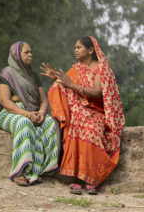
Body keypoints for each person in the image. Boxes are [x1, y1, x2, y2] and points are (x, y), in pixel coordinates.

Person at [41, 36, 125, 195]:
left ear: (91, 50)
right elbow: (65, 85)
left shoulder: (100, 68)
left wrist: (71, 85)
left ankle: (91, 179)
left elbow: (98, 92)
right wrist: (56, 79)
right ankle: (76, 179)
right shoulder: (76, 69)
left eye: (79, 47)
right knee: (77, 123)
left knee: (91, 130)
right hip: (80, 112)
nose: (75, 50)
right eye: (75, 47)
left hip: (97, 113)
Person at [0, 41, 60, 186]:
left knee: (50, 122)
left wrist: (41, 113)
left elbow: (43, 101)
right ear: (16, 54)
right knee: (24, 123)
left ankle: (40, 170)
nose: (30, 55)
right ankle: (20, 171)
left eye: (31, 53)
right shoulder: (7, 73)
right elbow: (5, 101)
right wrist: (27, 114)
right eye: (26, 52)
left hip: (32, 112)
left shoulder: (34, 76)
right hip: (8, 112)